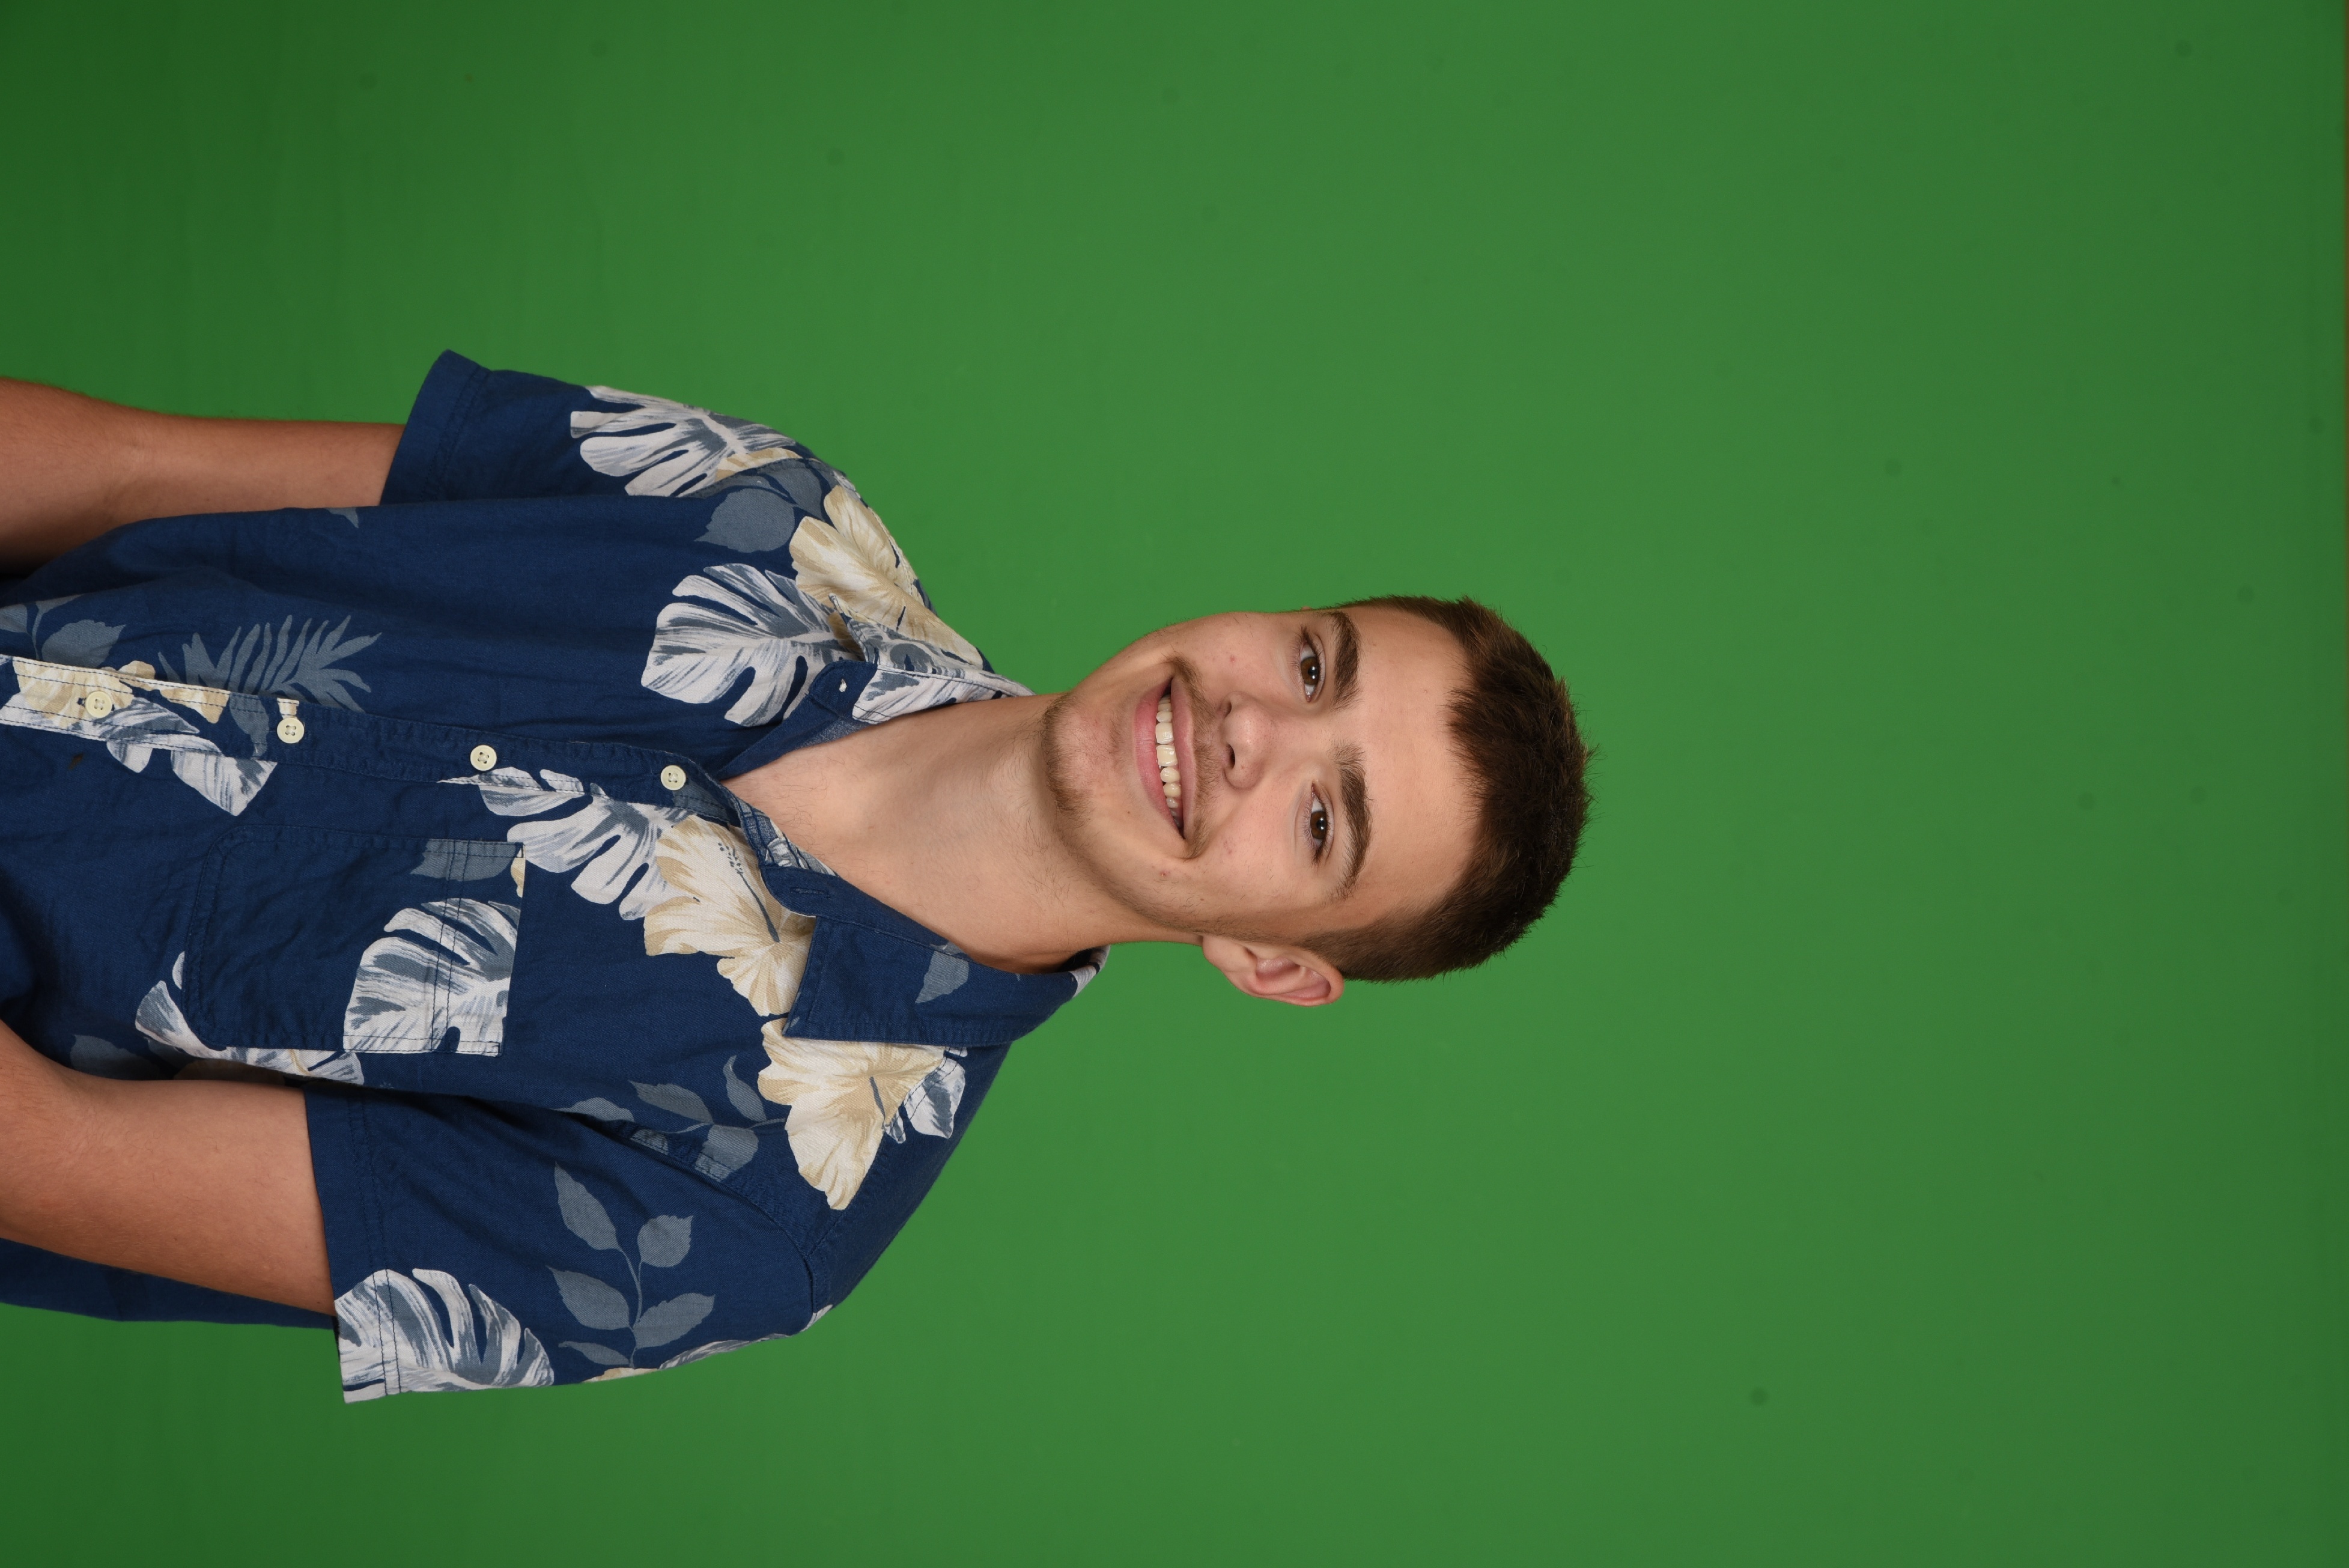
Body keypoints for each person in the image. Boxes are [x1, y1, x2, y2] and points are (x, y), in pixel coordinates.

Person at [0, 354, 1590, 1398]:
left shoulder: (760, 1220)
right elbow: (136, 469)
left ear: (1272, 961)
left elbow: (60, 1159)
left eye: (1323, 823)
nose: (1253, 731)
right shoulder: (766, 502)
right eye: (1314, 663)